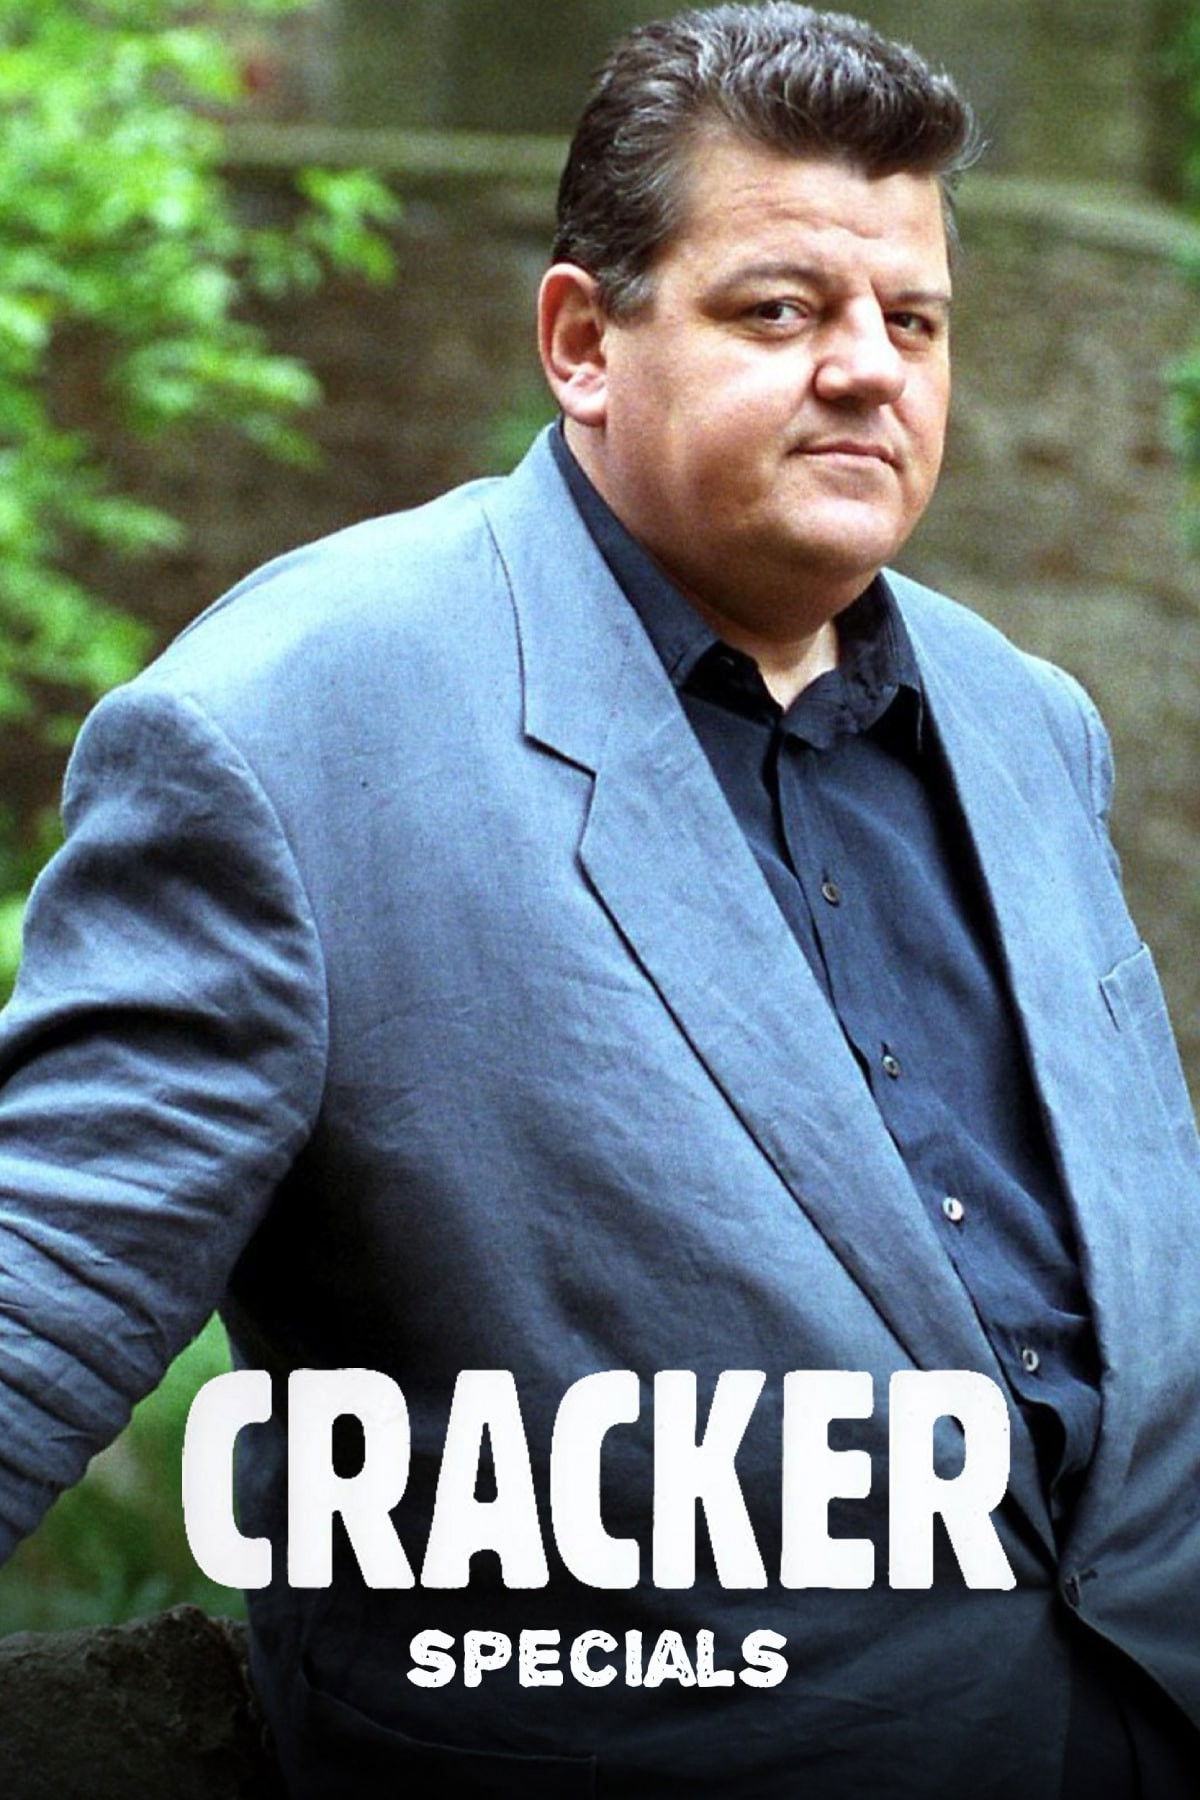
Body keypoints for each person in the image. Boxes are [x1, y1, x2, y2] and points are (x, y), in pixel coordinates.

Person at [1, 4, 1199, 1795]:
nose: (869, 370)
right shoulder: (288, 727)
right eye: (780, 310)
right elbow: (33, 1295)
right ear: (581, 342)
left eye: (914, 320)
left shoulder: (1031, 724)